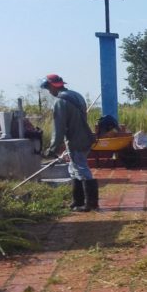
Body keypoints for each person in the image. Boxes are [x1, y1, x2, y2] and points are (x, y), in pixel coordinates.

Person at [40, 74, 98, 212]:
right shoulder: (76, 95)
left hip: (76, 140)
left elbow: (58, 128)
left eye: (49, 89)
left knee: (81, 170)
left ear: (53, 86)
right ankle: (78, 201)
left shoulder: (60, 102)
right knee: (73, 169)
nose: (49, 92)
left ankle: (91, 203)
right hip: (86, 137)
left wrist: (52, 148)